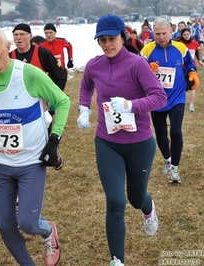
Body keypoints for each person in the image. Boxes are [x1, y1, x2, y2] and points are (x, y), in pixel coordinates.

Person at [0, 28, 70, 266]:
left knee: (28, 223)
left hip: (31, 162)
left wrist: (54, 141)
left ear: (7, 47)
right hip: (0, 163)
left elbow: (62, 102)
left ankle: (48, 231)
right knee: (4, 224)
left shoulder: (29, 75)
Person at [77, 14, 167, 266]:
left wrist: (131, 105)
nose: (107, 44)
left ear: (123, 37)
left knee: (135, 199)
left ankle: (148, 209)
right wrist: (84, 108)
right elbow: (85, 87)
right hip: (107, 142)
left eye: (112, 38)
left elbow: (159, 97)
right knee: (115, 201)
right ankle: (117, 260)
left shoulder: (137, 64)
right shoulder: (94, 65)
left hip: (139, 142)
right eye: (102, 40)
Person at [141, 17, 199, 183]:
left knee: (175, 131)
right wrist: (147, 69)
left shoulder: (181, 48)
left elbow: (189, 63)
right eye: (157, 33)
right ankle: (167, 159)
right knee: (160, 133)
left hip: (177, 97)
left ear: (171, 32)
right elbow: (137, 70)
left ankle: (174, 167)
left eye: (164, 33)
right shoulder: (147, 49)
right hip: (156, 98)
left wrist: (192, 72)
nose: (161, 37)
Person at [9, 23, 67, 170]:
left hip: (42, 102)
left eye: (22, 34)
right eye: (15, 35)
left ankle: (52, 151)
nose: (18, 37)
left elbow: (60, 74)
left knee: (44, 131)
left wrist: (52, 97)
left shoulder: (42, 53)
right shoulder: (10, 57)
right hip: (19, 103)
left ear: (30, 36)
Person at [179, 28, 204, 112]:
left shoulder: (195, 43)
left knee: (192, 87)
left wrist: (199, 60)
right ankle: (179, 103)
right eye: (184, 34)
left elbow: (196, 53)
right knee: (181, 87)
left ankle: (191, 105)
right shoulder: (179, 44)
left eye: (187, 34)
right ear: (182, 35)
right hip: (181, 68)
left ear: (190, 34)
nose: (186, 36)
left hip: (192, 67)